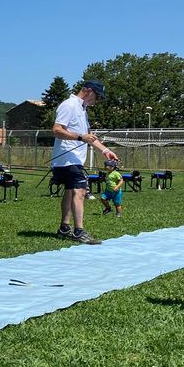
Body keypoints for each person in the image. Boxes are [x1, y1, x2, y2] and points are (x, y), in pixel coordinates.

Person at [51, 79, 118, 244]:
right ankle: (79, 231)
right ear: (88, 91)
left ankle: (64, 228)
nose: (97, 100)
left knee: (70, 192)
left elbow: (90, 138)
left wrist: (106, 151)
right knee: (80, 191)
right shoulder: (69, 105)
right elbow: (56, 130)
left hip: (72, 160)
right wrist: (81, 137)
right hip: (67, 158)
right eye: (97, 96)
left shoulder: (83, 110)